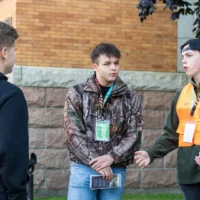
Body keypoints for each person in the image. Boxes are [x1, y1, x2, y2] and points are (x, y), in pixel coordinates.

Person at [64, 42, 143, 200]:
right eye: (107, 64)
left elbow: (134, 135)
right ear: (95, 66)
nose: (113, 68)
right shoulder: (77, 93)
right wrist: (96, 162)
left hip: (115, 169)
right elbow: (72, 134)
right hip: (84, 168)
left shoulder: (130, 97)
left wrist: (111, 158)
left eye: (116, 63)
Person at [134, 38, 200, 200]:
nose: (184, 60)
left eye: (189, 55)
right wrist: (151, 154)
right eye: (182, 57)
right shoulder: (181, 94)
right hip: (189, 173)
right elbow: (171, 134)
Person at [0, 21, 29, 200]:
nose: (15, 55)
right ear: (4, 52)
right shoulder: (11, 95)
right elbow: (11, 154)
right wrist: (17, 195)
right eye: (14, 50)